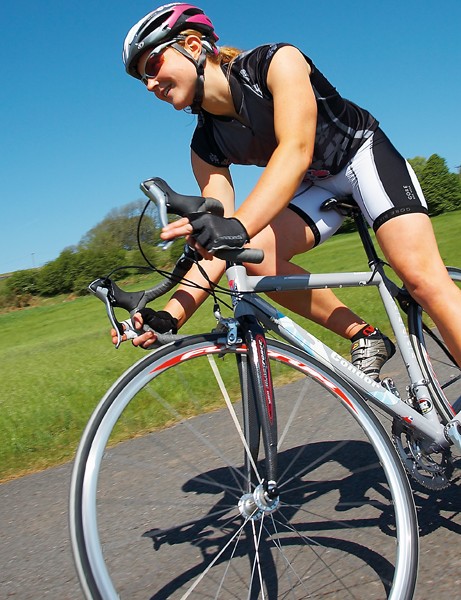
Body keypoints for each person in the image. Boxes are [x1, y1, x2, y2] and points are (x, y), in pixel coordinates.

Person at [116, 3, 461, 380]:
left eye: (152, 66)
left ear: (194, 45)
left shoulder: (276, 61)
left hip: (360, 157)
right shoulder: (206, 145)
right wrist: (170, 315)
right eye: (140, 80)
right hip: (313, 185)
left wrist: (238, 226)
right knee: (248, 256)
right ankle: (364, 335)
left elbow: (295, 150)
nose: (149, 85)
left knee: (421, 278)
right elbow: (221, 238)